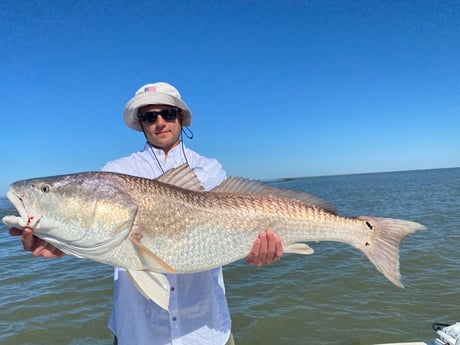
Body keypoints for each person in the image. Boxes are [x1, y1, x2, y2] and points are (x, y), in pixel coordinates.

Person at [9, 82, 283, 345]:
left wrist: (259, 249)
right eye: (150, 116)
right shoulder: (115, 171)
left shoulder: (209, 170)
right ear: (140, 123)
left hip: (207, 331)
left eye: (168, 113)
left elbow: (232, 235)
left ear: (181, 117)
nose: (160, 122)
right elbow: (96, 230)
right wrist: (57, 241)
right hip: (138, 333)